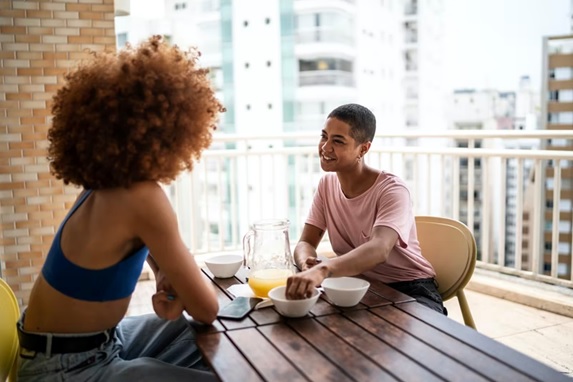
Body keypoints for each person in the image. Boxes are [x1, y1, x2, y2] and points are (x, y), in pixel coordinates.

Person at [17, 36, 225, 381]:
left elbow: (126, 246)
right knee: (225, 356)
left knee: (196, 335)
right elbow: (207, 307)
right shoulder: (144, 198)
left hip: (66, 347)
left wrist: (162, 273)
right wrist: (179, 282)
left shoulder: (102, 183)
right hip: (65, 371)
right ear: (173, 128)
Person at [285, 103, 446, 315]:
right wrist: (307, 265)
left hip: (411, 288)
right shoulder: (327, 185)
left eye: (338, 141)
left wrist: (323, 270)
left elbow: (380, 249)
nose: (325, 147)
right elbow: (305, 242)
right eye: (324, 136)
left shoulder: (392, 190)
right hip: (357, 284)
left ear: (363, 148)